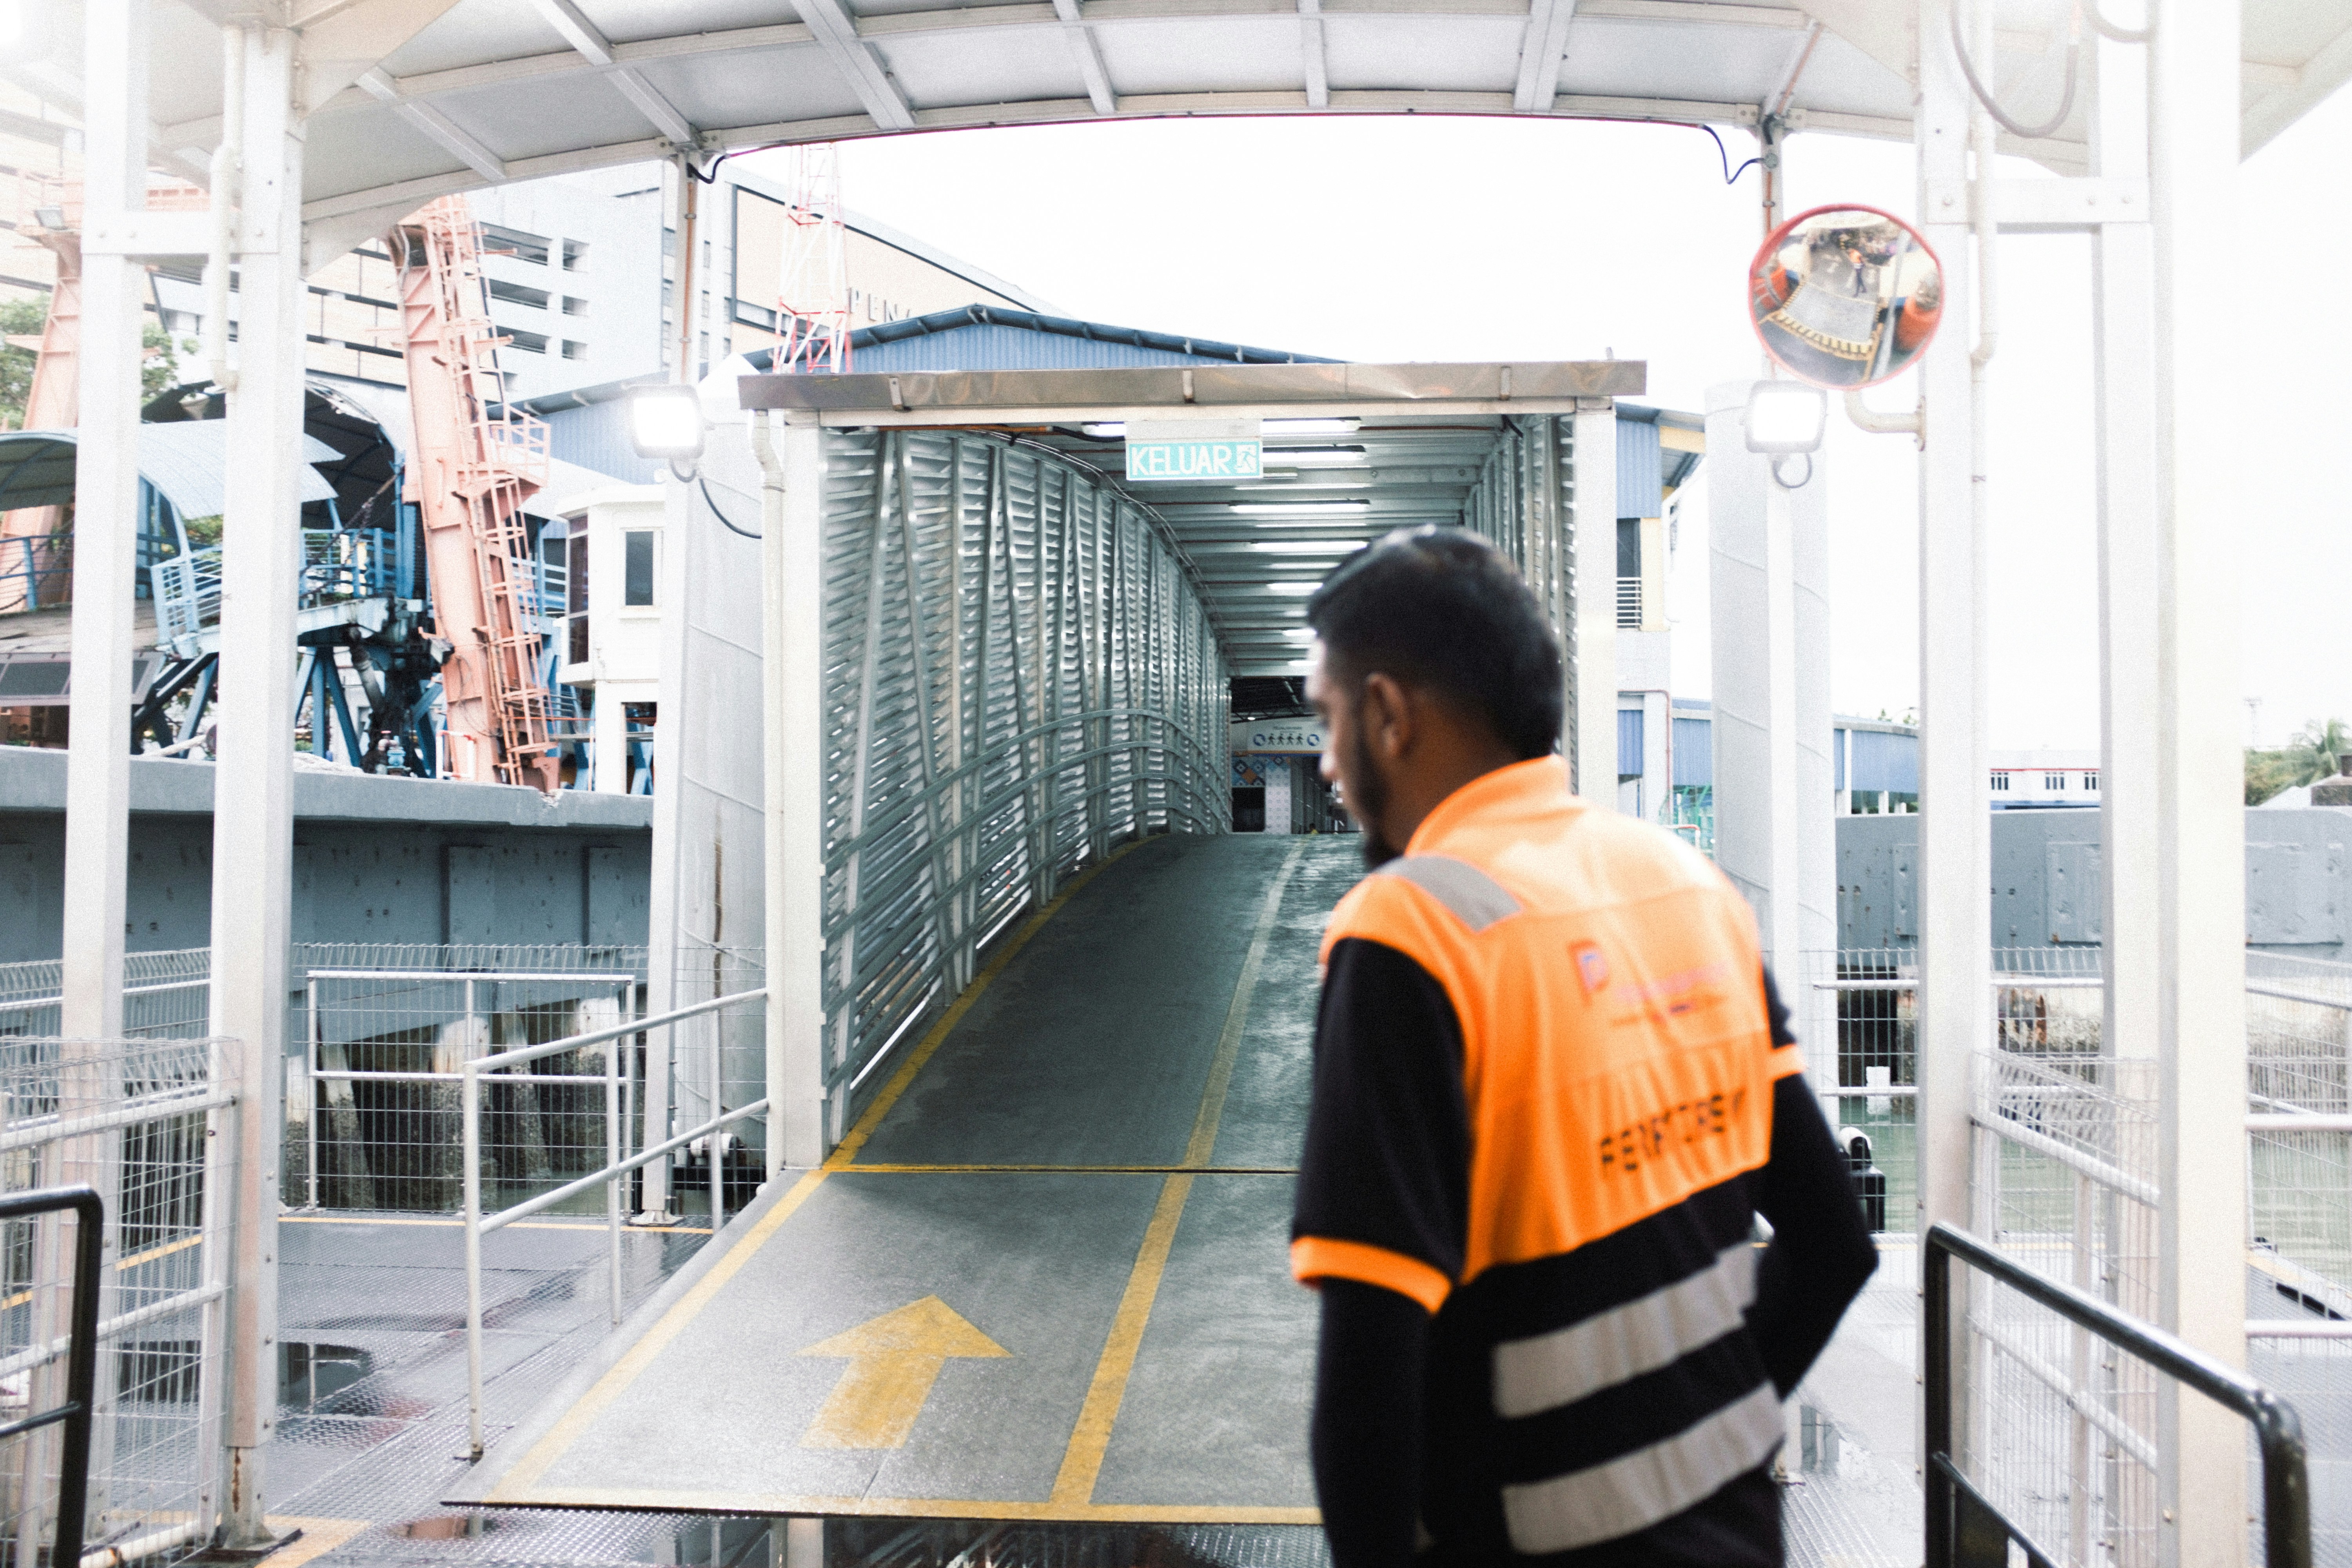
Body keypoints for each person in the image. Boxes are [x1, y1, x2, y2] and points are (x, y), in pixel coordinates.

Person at [1290, 527, 1877, 1568]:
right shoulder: (1686, 884)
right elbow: (1836, 1243)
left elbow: (1369, 1384)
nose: (1329, 764)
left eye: (1328, 719)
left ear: (1387, 714)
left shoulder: (1413, 932)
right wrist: (1697, 1445)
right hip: (1738, 1534)